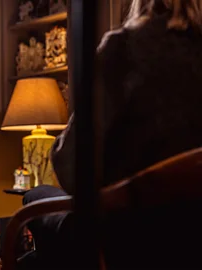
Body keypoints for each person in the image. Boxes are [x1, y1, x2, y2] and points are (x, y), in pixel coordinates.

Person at [20, 0, 202, 269]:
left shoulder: (127, 45)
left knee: (36, 197)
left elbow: (72, 170)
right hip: (192, 241)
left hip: (129, 240)